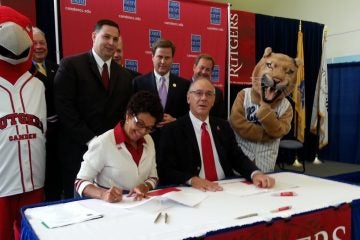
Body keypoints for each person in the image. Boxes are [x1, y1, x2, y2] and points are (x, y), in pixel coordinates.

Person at [54, 19, 133, 199]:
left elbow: (124, 114)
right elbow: (65, 109)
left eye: (115, 39)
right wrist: (93, 141)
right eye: (106, 37)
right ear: (94, 36)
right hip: (77, 153)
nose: (111, 43)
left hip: (112, 158)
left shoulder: (125, 76)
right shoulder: (71, 66)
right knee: (76, 208)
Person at [157, 78, 275, 191]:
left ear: (213, 101)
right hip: (194, 190)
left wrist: (255, 173)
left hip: (226, 187)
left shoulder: (223, 126)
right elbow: (165, 169)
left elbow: (237, 157)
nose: (203, 98)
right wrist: (191, 180)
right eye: (198, 93)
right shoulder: (172, 130)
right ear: (188, 98)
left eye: (209, 94)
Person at [0, 6, 47, 240]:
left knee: (33, 232)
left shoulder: (38, 85)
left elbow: (45, 130)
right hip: (2, 182)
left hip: (35, 178)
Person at [75, 91, 163, 202]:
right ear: (128, 115)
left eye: (149, 128)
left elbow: (153, 177)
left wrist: (145, 186)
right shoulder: (104, 142)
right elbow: (80, 181)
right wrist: (103, 194)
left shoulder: (149, 140)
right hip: (110, 208)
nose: (142, 131)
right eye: (139, 124)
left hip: (140, 205)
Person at [133, 38, 190, 150]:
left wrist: (175, 121)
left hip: (175, 142)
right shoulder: (139, 82)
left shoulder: (184, 85)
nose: (163, 61)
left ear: (172, 59)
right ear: (153, 57)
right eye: (160, 57)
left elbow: (189, 115)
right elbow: (133, 113)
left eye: (167, 58)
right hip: (145, 142)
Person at [31, 27, 62, 201]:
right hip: (36, 135)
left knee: (55, 178)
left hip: (59, 135)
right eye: (34, 43)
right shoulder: (23, 72)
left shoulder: (56, 68)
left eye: (42, 42)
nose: (39, 46)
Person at [192, 54, 226, 119]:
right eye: (201, 68)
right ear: (194, 68)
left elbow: (220, 120)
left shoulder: (217, 93)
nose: (204, 72)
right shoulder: (183, 88)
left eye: (207, 69)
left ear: (211, 72)